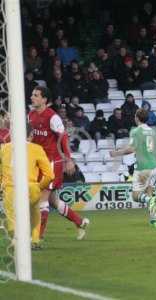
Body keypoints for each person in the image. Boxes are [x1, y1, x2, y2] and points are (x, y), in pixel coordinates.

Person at [28, 86, 89, 240]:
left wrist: (68, 159)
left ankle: (37, 239)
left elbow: (63, 138)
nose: (32, 97)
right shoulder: (31, 115)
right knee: (53, 201)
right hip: (38, 163)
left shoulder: (52, 117)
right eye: (32, 95)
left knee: (42, 199)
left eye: (36, 95)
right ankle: (80, 222)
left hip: (52, 163)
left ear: (44, 99)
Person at [0, 124, 55, 249]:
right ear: (30, 136)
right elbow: (50, 175)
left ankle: (16, 240)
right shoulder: (37, 148)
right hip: (30, 188)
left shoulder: (3, 149)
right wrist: (39, 187)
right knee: (35, 212)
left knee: (11, 215)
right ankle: (35, 241)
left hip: (10, 189)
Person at [110, 108, 156, 228]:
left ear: (137, 118)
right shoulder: (154, 132)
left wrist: (116, 153)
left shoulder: (136, 131)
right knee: (149, 192)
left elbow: (131, 149)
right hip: (154, 168)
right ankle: (153, 220)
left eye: (135, 115)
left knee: (136, 196)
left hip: (143, 168)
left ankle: (150, 202)